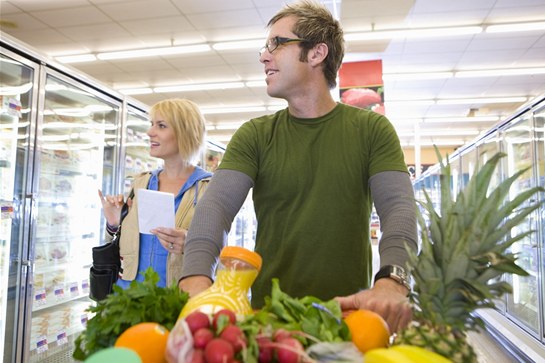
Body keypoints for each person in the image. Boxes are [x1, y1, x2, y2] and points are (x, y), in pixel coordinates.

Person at [179, 0, 417, 333]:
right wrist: (195, 275)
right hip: (267, 319)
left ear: (317, 53)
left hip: (349, 320)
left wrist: (392, 281)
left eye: (277, 44)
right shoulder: (256, 135)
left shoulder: (372, 130)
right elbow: (216, 206)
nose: (264, 55)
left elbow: (399, 210)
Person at [98, 98, 212, 288]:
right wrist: (114, 223)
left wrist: (191, 243)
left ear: (186, 132)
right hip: (129, 295)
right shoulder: (141, 182)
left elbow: (222, 252)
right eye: (152, 125)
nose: (150, 132)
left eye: (161, 126)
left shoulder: (208, 187)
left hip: (177, 299)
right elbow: (118, 243)